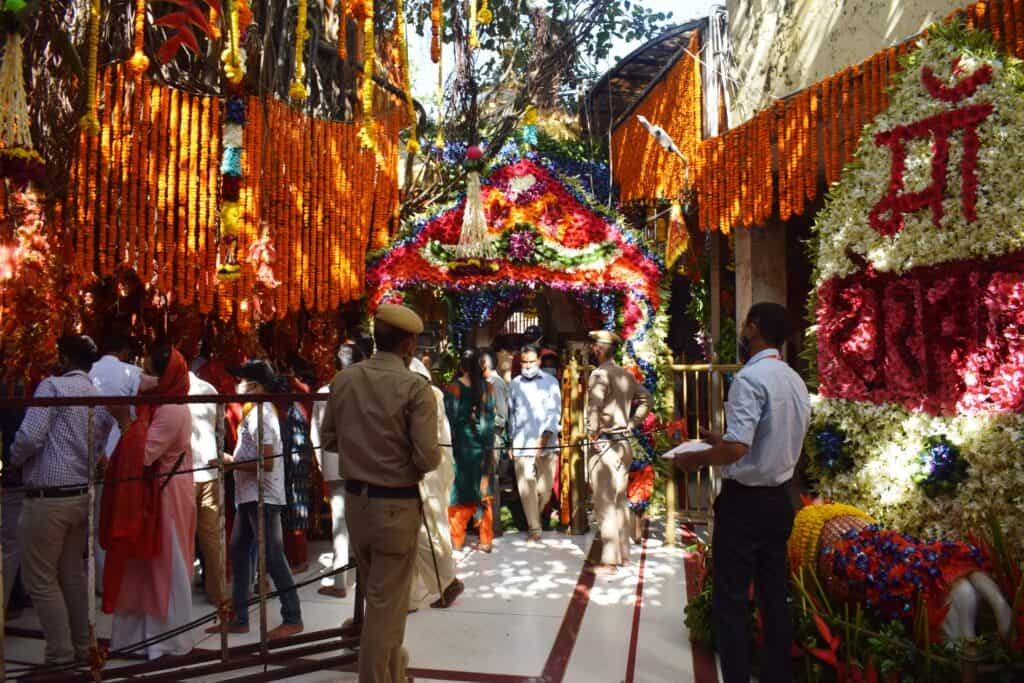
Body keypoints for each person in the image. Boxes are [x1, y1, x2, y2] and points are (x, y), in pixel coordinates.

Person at [671, 303, 810, 683]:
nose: (742, 329)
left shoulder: (751, 378)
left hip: (745, 505)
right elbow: (761, 439)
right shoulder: (793, 380)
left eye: (746, 323)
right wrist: (723, 440)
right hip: (781, 499)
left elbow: (737, 451)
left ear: (755, 328)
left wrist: (695, 459)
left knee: (730, 600)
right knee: (773, 596)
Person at [320, 303, 440, 682]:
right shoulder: (414, 388)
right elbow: (427, 458)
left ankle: (393, 673)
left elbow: (330, 439)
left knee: (380, 602)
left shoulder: (345, 380)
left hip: (357, 505)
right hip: (396, 508)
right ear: (408, 344)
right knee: (387, 608)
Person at [10, 335, 114, 664]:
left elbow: (30, 436)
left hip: (49, 497)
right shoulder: (99, 396)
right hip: (81, 495)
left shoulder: (53, 387)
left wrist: (12, 459)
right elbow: (99, 449)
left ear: (66, 358)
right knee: (71, 575)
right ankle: (83, 649)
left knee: (40, 578)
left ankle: (60, 653)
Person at [106, 342, 196, 659]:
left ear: (163, 375)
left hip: (167, 497)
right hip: (155, 494)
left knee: (165, 565)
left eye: (148, 370)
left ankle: (166, 639)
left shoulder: (170, 409)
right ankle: (138, 638)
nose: (142, 375)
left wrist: (123, 421)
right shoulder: (158, 405)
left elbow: (143, 455)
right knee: (144, 566)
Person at [208, 359, 303, 639]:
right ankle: (239, 617)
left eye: (242, 380)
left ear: (256, 386)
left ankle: (293, 616)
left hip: (264, 496)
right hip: (249, 494)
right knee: (239, 551)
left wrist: (230, 463)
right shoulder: (255, 412)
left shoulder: (262, 414)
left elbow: (269, 461)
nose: (238, 385)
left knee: (273, 557)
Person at [89, 333, 156, 593]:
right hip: (123, 452)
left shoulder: (87, 373)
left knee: (96, 521)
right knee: (117, 517)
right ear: (126, 351)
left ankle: (100, 582)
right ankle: (116, 579)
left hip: (92, 452)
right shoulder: (132, 373)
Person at [585, 329, 652, 570]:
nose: (591, 351)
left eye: (593, 347)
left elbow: (594, 406)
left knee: (604, 502)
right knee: (619, 499)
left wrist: (592, 433)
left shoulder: (599, 375)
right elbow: (647, 399)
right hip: (623, 444)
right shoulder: (624, 374)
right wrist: (632, 423)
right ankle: (623, 553)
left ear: (599, 349)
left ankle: (609, 559)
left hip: (606, 446)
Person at [408, 357, 463, 611]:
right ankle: (409, 596)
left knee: (421, 532)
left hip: (423, 472)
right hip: (433, 469)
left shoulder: (424, 396)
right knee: (427, 530)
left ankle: (446, 580)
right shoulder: (434, 394)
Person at [310, 343, 363, 598]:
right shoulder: (362, 389)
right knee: (357, 517)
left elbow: (316, 433)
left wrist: (321, 460)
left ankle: (341, 582)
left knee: (341, 521)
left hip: (334, 462)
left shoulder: (325, 391)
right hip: (360, 463)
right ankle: (355, 575)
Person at [444, 349, 497, 553]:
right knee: (484, 493)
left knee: (460, 493)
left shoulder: (454, 388)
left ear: (461, 365)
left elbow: (449, 420)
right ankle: (485, 540)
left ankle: (457, 540)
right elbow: (489, 421)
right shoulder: (488, 388)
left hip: (462, 447)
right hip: (483, 447)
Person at [509, 345, 562, 542]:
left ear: (539, 361)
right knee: (526, 489)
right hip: (522, 443)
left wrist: (545, 438)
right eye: (525, 362)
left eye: (532, 361)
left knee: (544, 490)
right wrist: (511, 442)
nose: (528, 366)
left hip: (547, 445)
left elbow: (555, 412)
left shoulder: (551, 382)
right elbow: (511, 415)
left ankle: (537, 517)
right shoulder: (514, 384)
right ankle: (534, 528)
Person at [188, 365, 226, 607]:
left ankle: (179, 596)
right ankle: (218, 594)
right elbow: (219, 428)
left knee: (182, 536)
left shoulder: (175, 392)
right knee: (211, 537)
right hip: (211, 470)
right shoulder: (209, 389)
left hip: (187, 473)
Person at [481, 350, 508, 539]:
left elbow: (502, 417)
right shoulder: (483, 384)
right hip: (483, 437)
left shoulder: (496, 384)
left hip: (493, 438)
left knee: (492, 481)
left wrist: (483, 417)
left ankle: (494, 526)